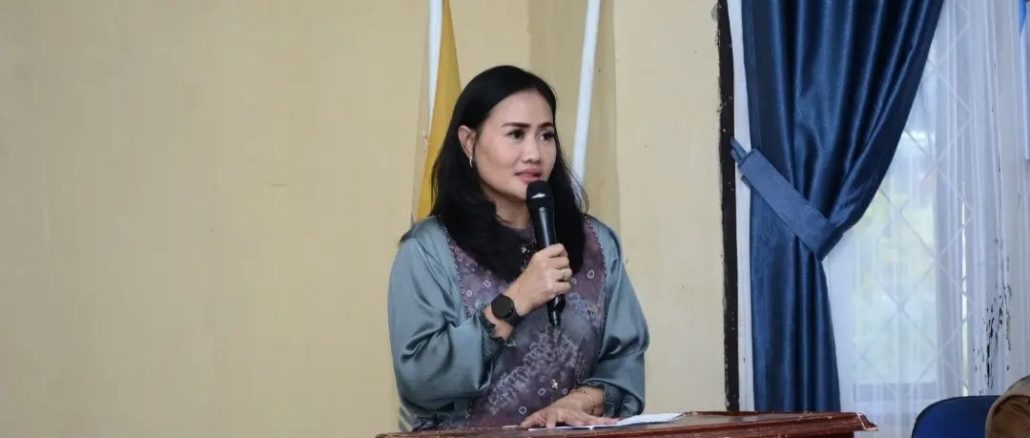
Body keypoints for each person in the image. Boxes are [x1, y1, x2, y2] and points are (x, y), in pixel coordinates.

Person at [387, 65, 649, 431]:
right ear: (469, 142)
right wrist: (516, 300)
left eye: (546, 135)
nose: (535, 153)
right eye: (516, 134)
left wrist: (577, 402)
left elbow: (625, 360)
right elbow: (420, 378)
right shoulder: (429, 251)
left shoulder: (597, 243)